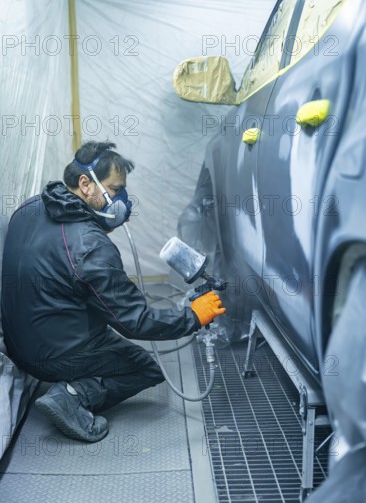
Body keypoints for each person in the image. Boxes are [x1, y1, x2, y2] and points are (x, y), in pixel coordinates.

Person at [1, 141, 226, 443]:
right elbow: (134, 321)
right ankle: (72, 396)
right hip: (51, 355)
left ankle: (70, 377)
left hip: (17, 342)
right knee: (145, 368)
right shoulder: (91, 246)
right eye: (115, 189)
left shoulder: (28, 208)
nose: (122, 200)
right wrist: (193, 317)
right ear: (85, 184)